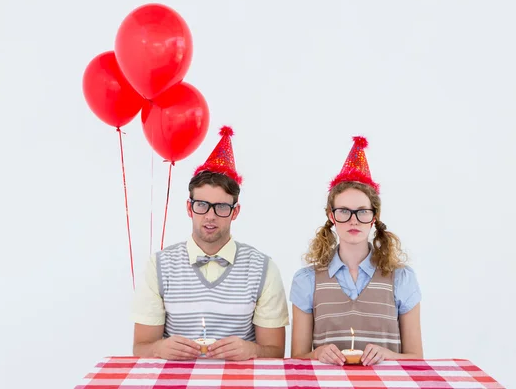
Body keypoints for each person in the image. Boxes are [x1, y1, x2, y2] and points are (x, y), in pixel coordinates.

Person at [131, 126, 289, 361]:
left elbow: (275, 352)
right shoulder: (160, 265)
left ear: (235, 213)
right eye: (202, 205)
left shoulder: (263, 268)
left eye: (222, 207)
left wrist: (252, 350)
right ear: (189, 208)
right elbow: (140, 348)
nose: (210, 216)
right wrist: (159, 349)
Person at [290, 136, 423, 366]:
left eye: (362, 211)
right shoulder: (307, 281)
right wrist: (317, 353)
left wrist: (388, 355)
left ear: (374, 218)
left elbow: (417, 359)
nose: (354, 221)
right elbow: (297, 359)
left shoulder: (401, 278)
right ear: (332, 217)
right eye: (344, 211)